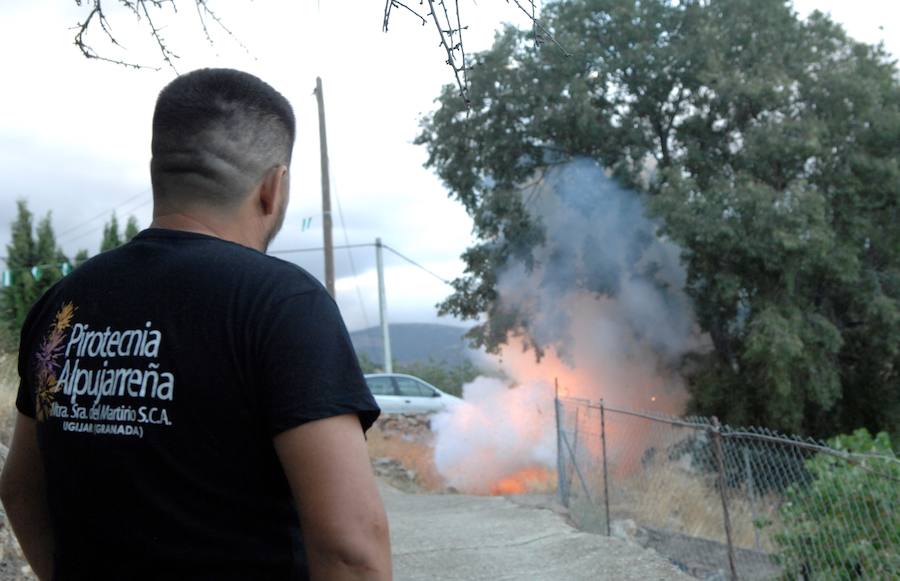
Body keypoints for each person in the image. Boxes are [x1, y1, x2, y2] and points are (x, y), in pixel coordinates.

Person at [0, 68, 392, 581]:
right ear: (274, 188)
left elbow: (20, 489)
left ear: (158, 171)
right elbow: (350, 551)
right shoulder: (281, 303)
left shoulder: (61, 302)